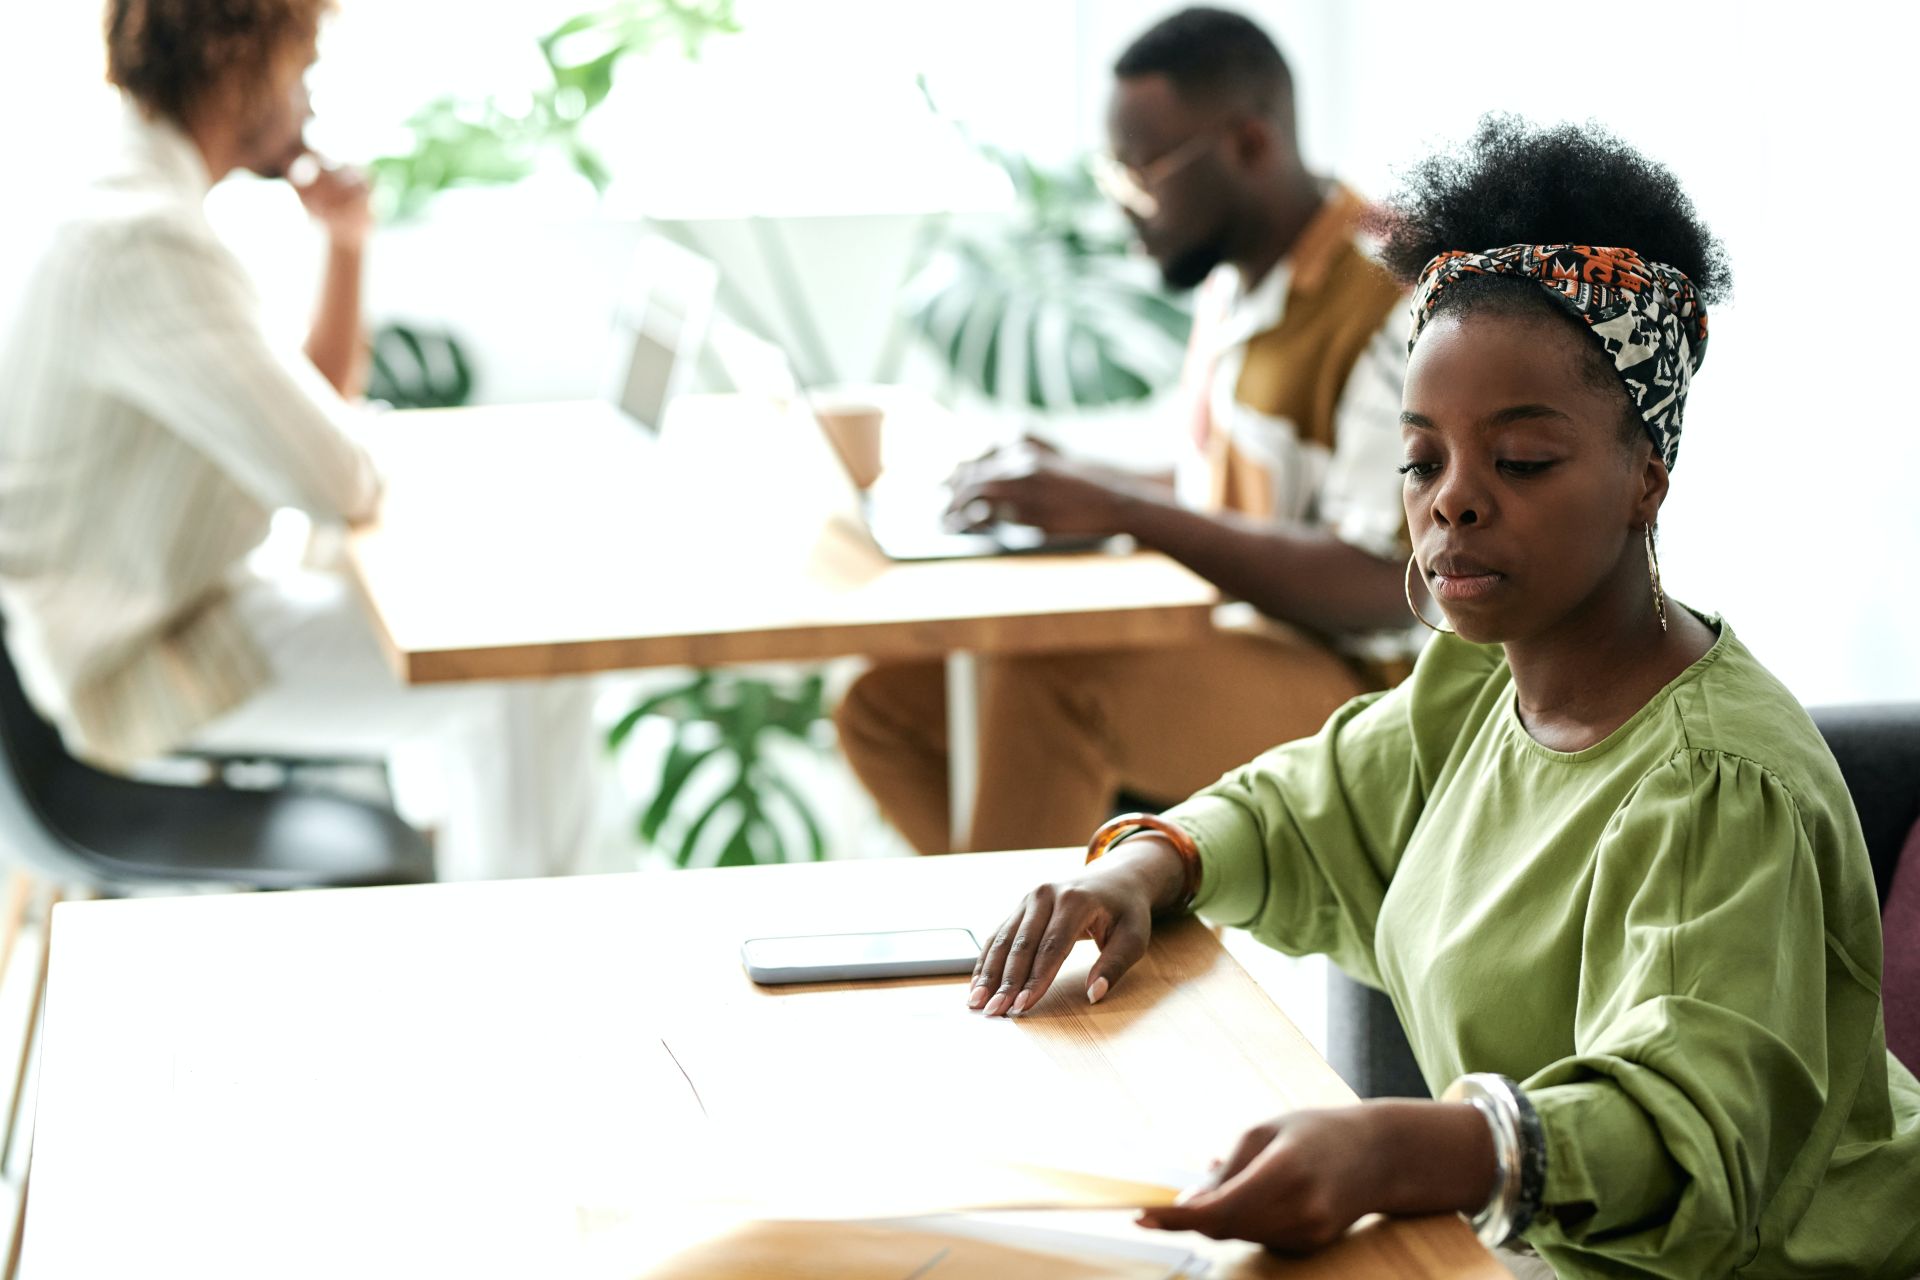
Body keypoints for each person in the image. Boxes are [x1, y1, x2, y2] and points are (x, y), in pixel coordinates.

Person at [967, 115, 1920, 1279]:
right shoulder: (1480, 678)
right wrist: (1138, 864)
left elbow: (1687, 1127)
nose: (1452, 502)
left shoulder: (1713, 786)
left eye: (1520, 461)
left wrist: (1405, 1146)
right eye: (1423, 459)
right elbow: (1302, 804)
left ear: (1645, 479)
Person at [0, 0, 596, 879]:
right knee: (526, 667)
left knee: (484, 649)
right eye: (302, 69)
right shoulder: (144, 240)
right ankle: (538, 962)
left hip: (158, 610)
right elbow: (338, 479)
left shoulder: (129, 192)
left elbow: (308, 416)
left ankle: (480, 906)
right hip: (142, 665)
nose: (310, 102)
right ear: (240, 67)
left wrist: (344, 245)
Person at [834, 7, 1418, 855]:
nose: (1127, 210)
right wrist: (1078, 483)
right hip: (1236, 635)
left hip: (1366, 697)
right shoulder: (1238, 278)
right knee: (885, 707)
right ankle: (1090, 938)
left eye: (1143, 176)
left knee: (1054, 685)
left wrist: (1122, 507)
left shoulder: (1389, 302)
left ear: (1250, 146)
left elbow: (1381, 583)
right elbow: (1226, 494)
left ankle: (1016, 960)